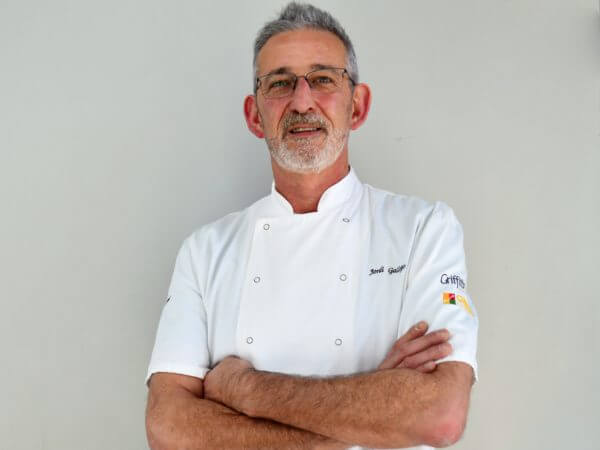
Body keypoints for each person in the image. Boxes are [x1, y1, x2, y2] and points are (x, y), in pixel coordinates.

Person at [145, 3, 478, 449]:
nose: (302, 102)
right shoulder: (204, 252)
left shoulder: (424, 230)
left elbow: (440, 414)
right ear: (254, 115)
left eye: (322, 79)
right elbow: (168, 428)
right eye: (280, 83)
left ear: (357, 106)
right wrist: (370, 417)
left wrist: (243, 388)